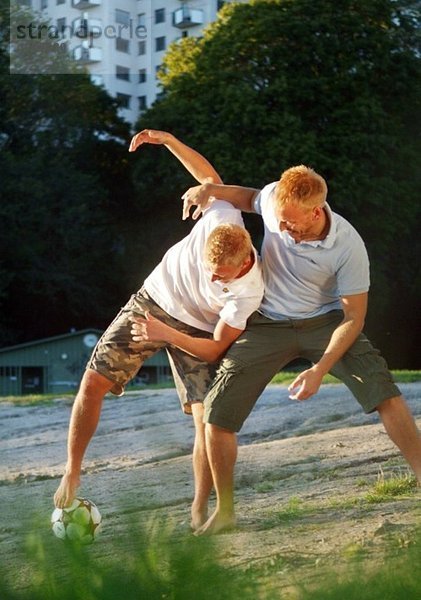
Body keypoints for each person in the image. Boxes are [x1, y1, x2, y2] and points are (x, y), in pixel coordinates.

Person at [181, 165, 421, 535]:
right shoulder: (277, 199)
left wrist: (320, 368)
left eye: (294, 224)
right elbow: (247, 198)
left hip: (325, 322)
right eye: (282, 222)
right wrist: (210, 190)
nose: (286, 231)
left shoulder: (348, 245)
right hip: (267, 323)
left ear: (317, 211)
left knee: (384, 391)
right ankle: (225, 511)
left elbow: (353, 317)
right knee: (216, 414)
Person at [54, 130, 264, 531]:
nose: (211, 276)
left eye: (218, 275)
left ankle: (201, 506)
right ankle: (72, 469)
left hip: (199, 331)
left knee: (206, 421)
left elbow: (216, 347)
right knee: (93, 381)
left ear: (242, 264)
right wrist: (168, 141)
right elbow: (210, 180)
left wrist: (166, 334)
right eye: (207, 266)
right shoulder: (224, 217)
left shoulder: (248, 292)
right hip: (154, 298)